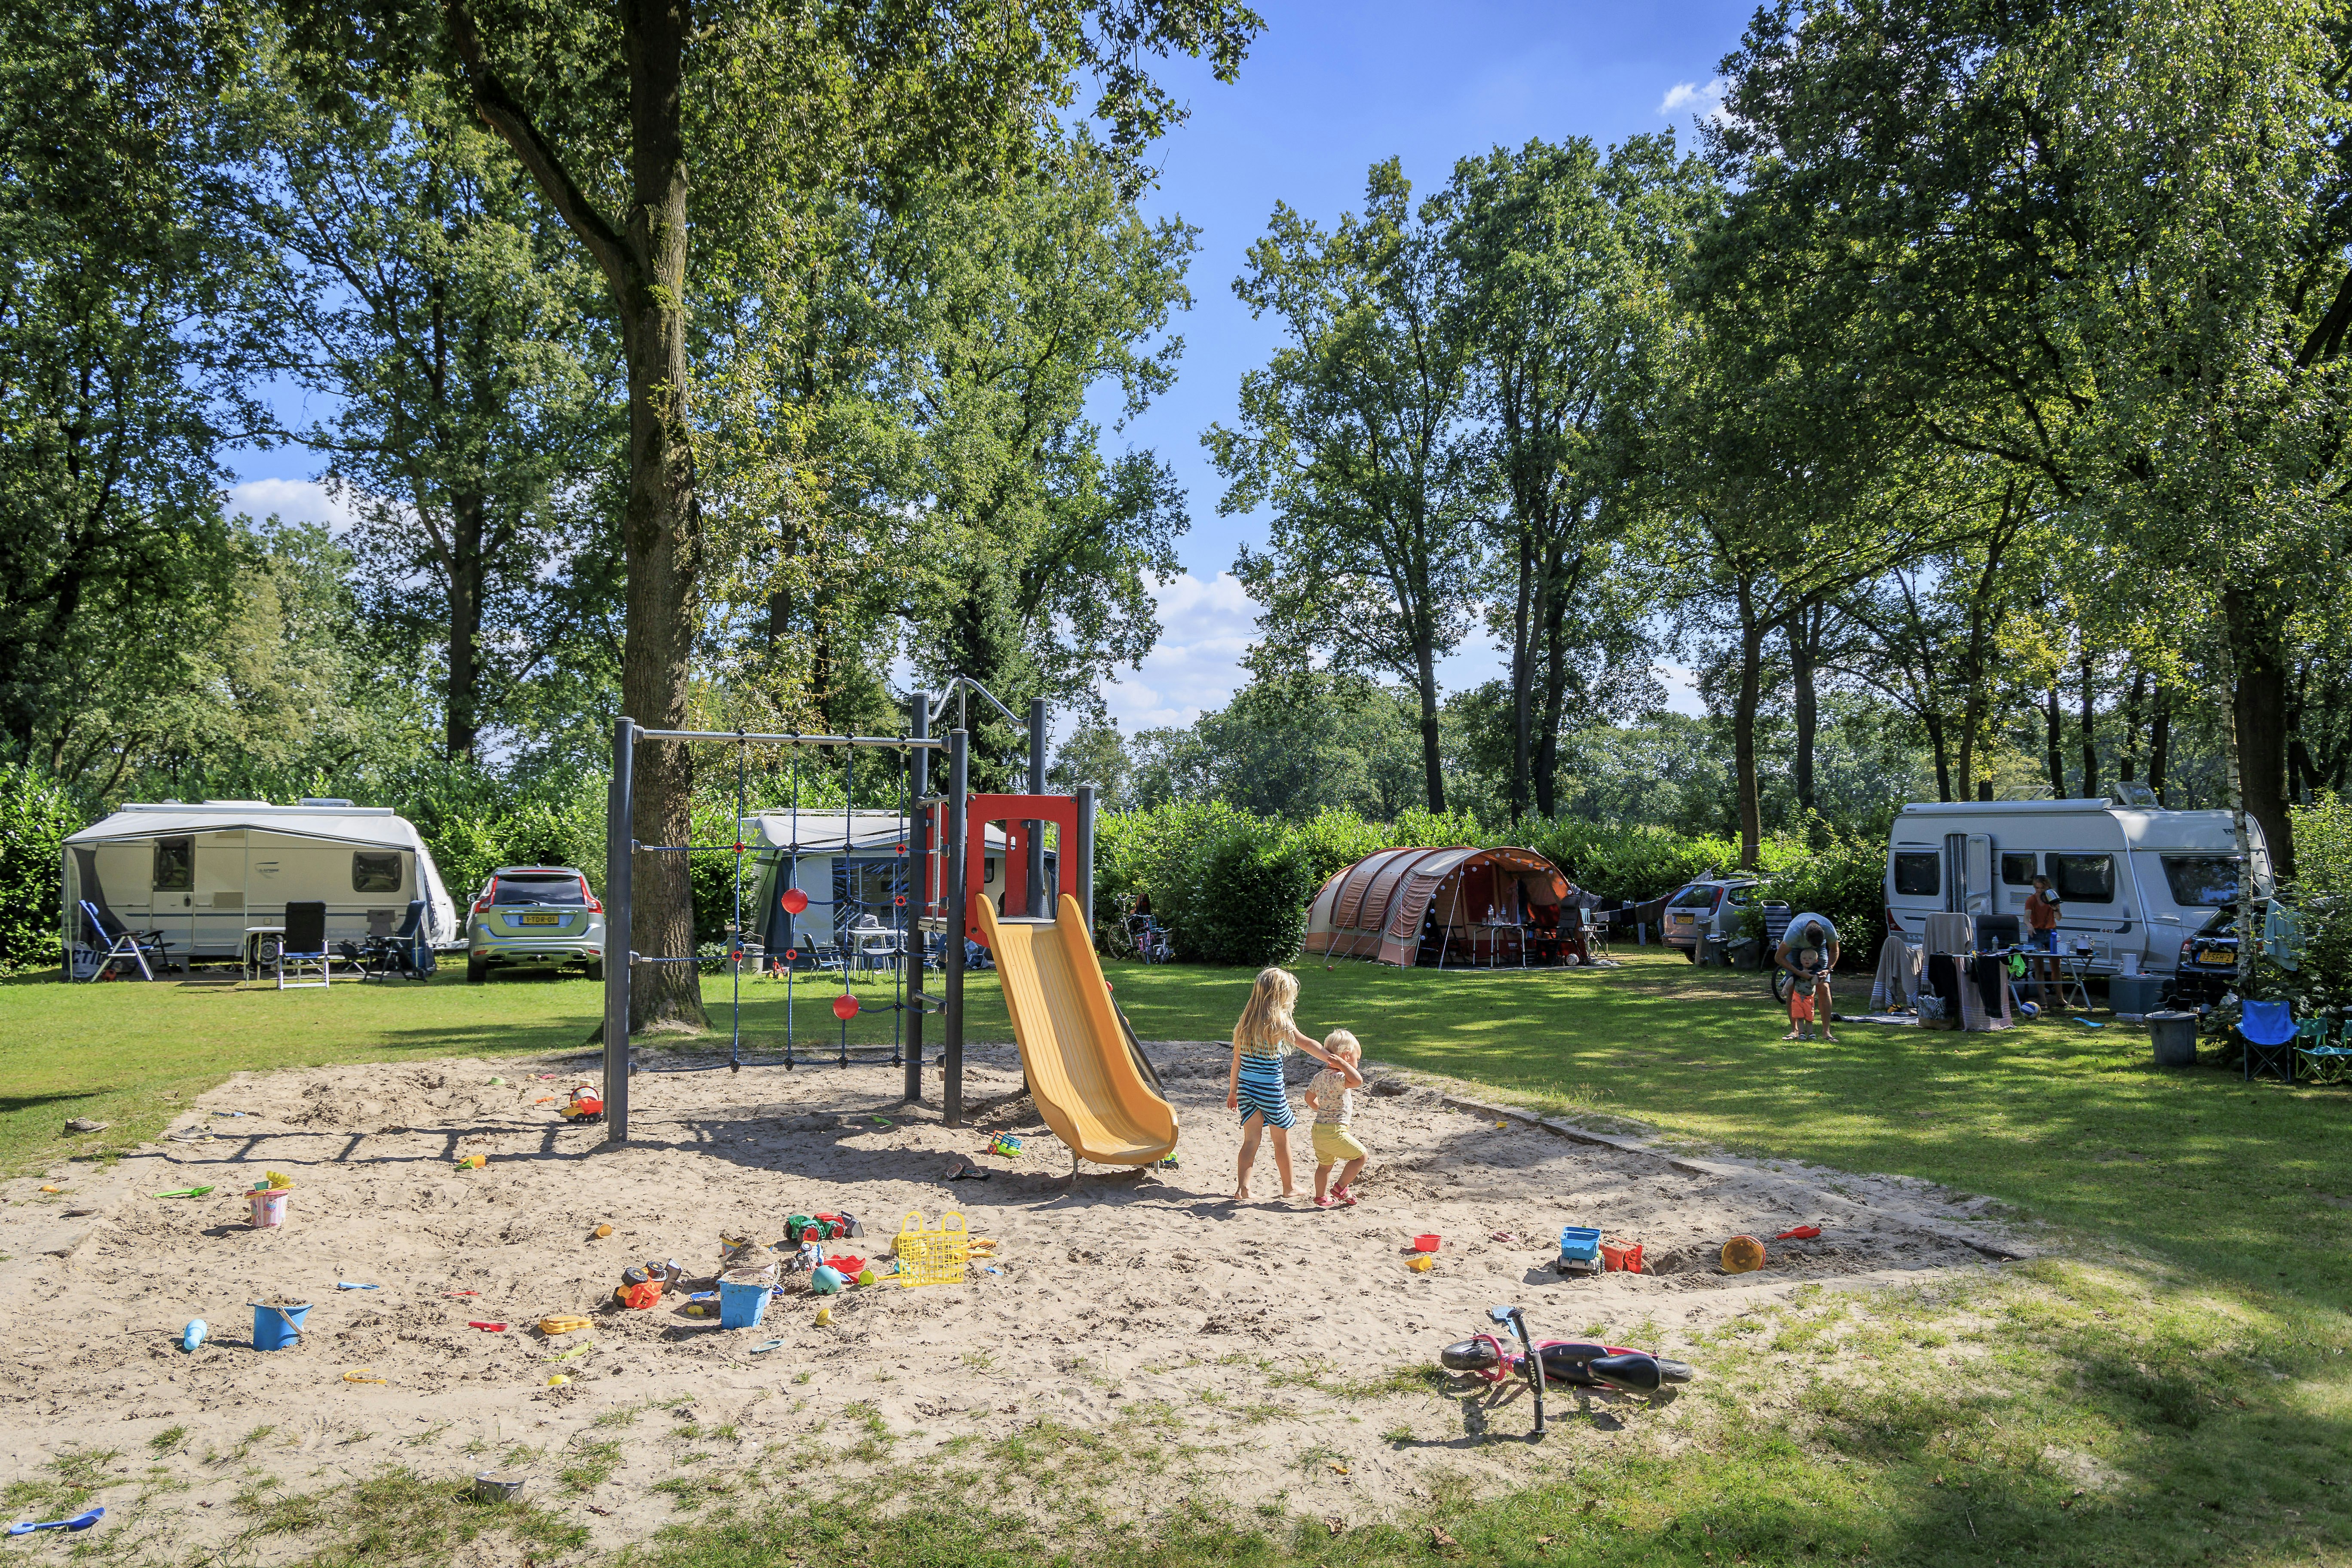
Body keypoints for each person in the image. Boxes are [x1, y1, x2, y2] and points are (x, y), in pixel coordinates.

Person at [1225, 967, 1348, 1203]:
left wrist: (1233, 1092)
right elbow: (1307, 1044)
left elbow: (1236, 1061)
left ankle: (1243, 1189)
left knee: (1250, 1140)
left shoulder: (1245, 1023)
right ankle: (1289, 1187)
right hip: (1270, 1090)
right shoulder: (1278, 1022)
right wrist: (1334, 1060)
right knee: (1281, 1141)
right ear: (1280, 996)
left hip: (1246, 1089)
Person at [1304, 1029, 1369, 1207]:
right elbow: (1358, 1081)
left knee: (1324, 1166)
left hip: (1319, 1130)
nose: (1357, 1062)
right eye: (1357, 1058)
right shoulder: (1340, 1076)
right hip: (1335, 1131)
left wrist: (1322, 1110)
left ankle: (1320, 1197)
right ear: (1347, 1056)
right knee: (1361, 1157)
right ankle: (1340, 1188)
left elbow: (1308, 1098)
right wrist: (1343, 1066)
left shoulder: (1319, 1076)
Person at [1775, 913, 1841, 1043]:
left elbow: (1834, 950)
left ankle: (1827, 1033)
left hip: (1820, 949)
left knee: (1824, 986)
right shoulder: (1794, 932)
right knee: (1793, 988)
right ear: (1805, 936)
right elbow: (1779, 957)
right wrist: (1799, 973)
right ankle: (1794, 1031)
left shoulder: (1829, 928)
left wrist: (1828, 969)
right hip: (1795, 948)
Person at [2023, 874, 2062, 1008]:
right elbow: (2026, 918)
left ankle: (2060, 999)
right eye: (2036, 888)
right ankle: (2043, 1000)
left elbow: (2059, 918)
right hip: (2036, 934)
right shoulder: (2031, 900)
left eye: (2041, 888)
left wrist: (2056, 909)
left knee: (2056, 967)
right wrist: (2029, 926)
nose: (2038, 891)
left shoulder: (2052, 898)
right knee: (2039, 967)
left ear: (2047, 887)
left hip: (2051, 933)